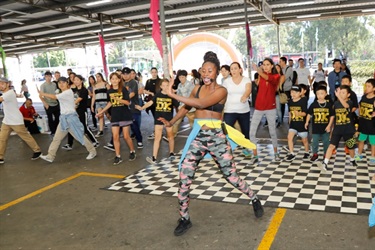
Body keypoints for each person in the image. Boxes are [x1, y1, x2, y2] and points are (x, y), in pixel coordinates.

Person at [158, 51, 263, 237]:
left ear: (216, 73)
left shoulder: (222, 91)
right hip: (198, 137)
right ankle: (184, 218)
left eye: (210, 71)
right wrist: (171, 122)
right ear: (200, 72)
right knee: (184, 176)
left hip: (216, 137)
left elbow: (200, 104)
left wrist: (173, 95)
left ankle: (254, 198)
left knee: (231, 176)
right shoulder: (196, 88)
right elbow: (186, 108)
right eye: (203, 71)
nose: (206, 74)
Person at [38, 77, 97, 163]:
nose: (61, 84)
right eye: (59, 83)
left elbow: (54, 97)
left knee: (79, 136)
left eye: (63, 82)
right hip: (64, 119)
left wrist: (42, 93)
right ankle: (50, 156)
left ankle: (92, 151)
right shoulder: (64, 93)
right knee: (57, 138)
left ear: (67, 84)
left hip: (71, 119)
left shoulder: (68, 92)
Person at [96, 72, 136, 164]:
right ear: (110, 80)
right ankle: (118, 156)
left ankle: (132, 151)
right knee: (115, 136)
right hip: (115, 115)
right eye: (112, 79)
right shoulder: (109, 91)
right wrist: (101, 112)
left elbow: (128, 103)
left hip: (124, 115)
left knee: (126, 136)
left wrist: (118, 99)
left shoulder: (124, 90)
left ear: (119, 80)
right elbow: (110, 103)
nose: (114, 80)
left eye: (115, 78)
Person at [136, 79, 178, 164]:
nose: (166, 87)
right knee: (157, 138)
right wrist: (142, 108)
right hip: (158, 118)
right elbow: (150, 102)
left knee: (170, 136)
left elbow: (177, 105)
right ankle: (154, 157)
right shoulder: (158, 95)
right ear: (161, 86)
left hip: (168, 119)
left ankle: (171, 153)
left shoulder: (171, 96)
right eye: (164, 85)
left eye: (167, 85)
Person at [0, 77, 42, 164]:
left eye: (2, 83)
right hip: (7, 120)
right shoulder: (6, 93)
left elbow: (1, 99)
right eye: (0, 84)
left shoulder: (9, 93)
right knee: (2, 139)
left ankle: (37, 150)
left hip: (15, 121)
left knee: (25, 136)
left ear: (8, 84)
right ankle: (0, 157)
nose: (1, 86)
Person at [317, 85, 358, 171]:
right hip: (337, 129)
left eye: (343, 93)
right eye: (340, 92)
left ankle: (352, 159)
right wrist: (330, 127)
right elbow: (333, 116)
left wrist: (338, 96)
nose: (341, 94)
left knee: (351, 147)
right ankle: (325, 163)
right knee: (331, 146)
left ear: (348, 95)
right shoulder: (335, 104)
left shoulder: (350, 102)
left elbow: (346, 106)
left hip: (348, 129)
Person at [249, 58, 281, 164]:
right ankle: (255, 155)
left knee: (272, 131)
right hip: (258, 107)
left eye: (268, 64)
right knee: (252, 132)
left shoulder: (276, 76)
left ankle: (276, 153)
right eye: (264, 64)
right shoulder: (261, 75)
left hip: (270, 107)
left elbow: (268, 78)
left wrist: (258, 70)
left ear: (272, 66)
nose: (266, 66)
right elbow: (259, 84)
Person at [61, 75, 99, 150]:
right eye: (75, 80)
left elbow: (78, 100)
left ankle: (95, 141)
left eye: (78, 80)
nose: (76, 81)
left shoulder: (84, 90)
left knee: (84, 127)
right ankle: (69, 144)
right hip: (73, 111)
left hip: (82, 111)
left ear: (81, 81)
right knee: (71, 127)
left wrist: (70, 104)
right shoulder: (73, 90)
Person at [222, 62, 251, 155]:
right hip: (229, 110)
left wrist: (245, 96)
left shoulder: (246, 80)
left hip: (244, 110)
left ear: (240, 69)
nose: (233, 70)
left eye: (235, 68)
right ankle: (225, 149)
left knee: (245, 131)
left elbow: (248, 89)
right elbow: (223, 94)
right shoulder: (226, 82)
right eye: (231, 69)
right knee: (226, 130)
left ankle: (246, 148)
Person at [305, 84, 334, 162]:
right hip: (315, 128)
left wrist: (329, 126)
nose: (320, 95)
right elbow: (309, 114)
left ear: (326, 94)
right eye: (318, 94)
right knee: (314, 142)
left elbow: (332, 116)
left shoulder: (328, 105)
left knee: (326, 142)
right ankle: (315, 154)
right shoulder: (314, 104)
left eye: (322, 93)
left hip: (326, 128)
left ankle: (326, 155)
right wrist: (307, 122)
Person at [284, 85, 309, 161]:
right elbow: (289, 112)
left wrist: (299, 114)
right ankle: (292, 153)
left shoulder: (303, 101)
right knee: (289, 137)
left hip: (301, 124)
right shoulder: (290, 102)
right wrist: (289, 120)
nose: (293, 94)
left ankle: (307, 152)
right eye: (292, 92)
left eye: (296, 92)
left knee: (304, 140)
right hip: (293, 124)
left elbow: (305, 113)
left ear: (300, 93)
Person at [121, 67, 143, 149]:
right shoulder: (121, 83)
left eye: (127, 74)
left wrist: (123, 100)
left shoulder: (133, 82)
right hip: (124, 108)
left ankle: (139, 140)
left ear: (131, 74)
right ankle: (112, 142)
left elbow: (132, 94)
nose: (126, 76)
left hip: (133, 107)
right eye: (124, 74)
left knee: (134, 125)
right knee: (121, 126)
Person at [355, 78, 375, 166]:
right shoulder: (363, 97)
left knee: (373, 142)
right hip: (363, 123)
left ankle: (373, 157)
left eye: (369, 86)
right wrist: (359, 114)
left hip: (372, 125)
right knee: (361, 140)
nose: (366, 88)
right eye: (365, 86)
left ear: (374, 88)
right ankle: (359, 154)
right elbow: (360, 105)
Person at [172, 69, 195, 137]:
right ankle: (173, 134)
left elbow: (192, 95)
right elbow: (179, 94)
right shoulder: (179, 85)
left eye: (182, 77)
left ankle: (196, 136)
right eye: (179, 77)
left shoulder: (190, 84)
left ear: (186, 77)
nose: (181, 79)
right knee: (176, 122)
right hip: (182, 106)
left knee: (192, 124)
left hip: (190, 107)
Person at [144, 67, 162, 139]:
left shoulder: (160, 81)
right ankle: (157, 131)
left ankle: (157, 132)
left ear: (157, 72)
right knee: (155, 116)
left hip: (160, 101)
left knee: (158, 116)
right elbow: (144, 91)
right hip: (152, 102)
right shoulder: (148, 81)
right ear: (151, 73)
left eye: (155, 72)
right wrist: (150, 93)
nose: (154, 74)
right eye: (152, 72)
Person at [91, 72, 110, 137]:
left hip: (105, 102)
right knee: (100, 115)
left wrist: (109, 101)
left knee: (107, 115)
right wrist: (92, 105)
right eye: (96, 77)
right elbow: (94, 96)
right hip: (98, 102)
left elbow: (110, 93)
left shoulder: (106, 84)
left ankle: (115, 125)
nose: (97, 78)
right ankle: (101, 130)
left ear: (101, 76)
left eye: (98, 76)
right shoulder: (95, 86)